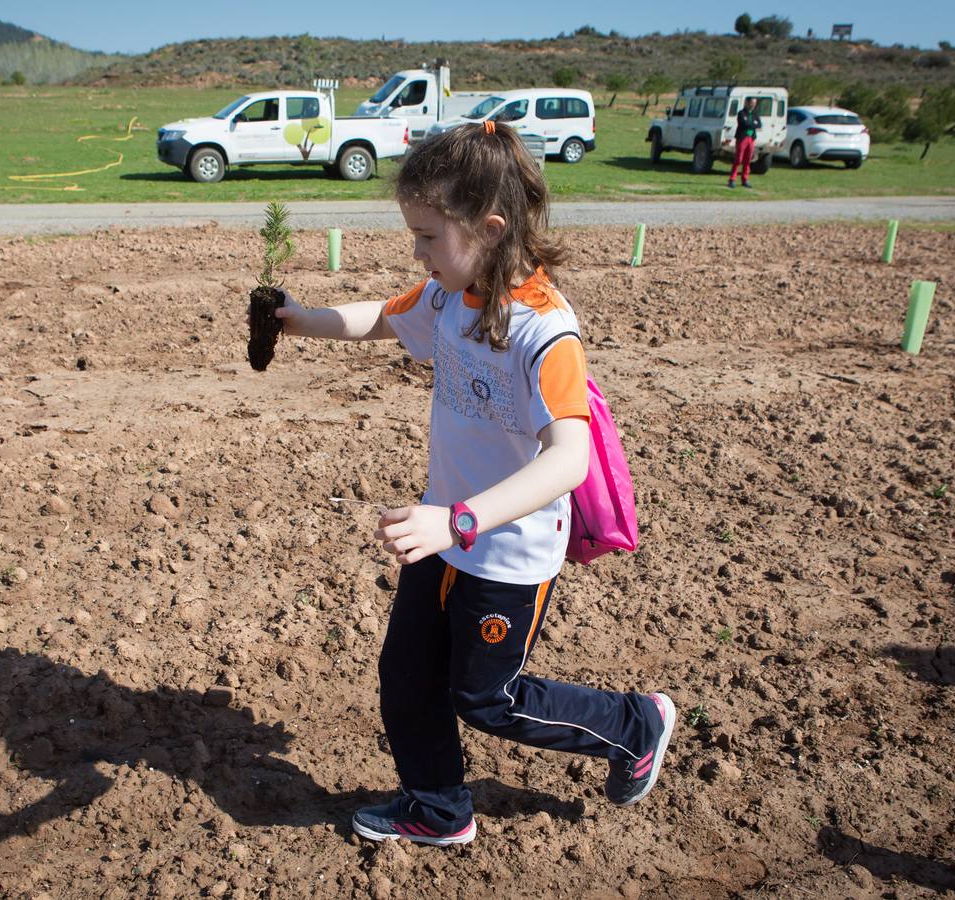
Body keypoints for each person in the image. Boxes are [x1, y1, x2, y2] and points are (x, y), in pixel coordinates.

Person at [265, 120, 675, 846]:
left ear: (487, 229)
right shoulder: (449, 296)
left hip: (504, 554)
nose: (416, 252)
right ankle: (438, 806)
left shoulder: (544, 331)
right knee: (406, 679)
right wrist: (297, 321)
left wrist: (456, 520)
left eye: (426, 236)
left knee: (486, 698)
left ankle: (633, 726)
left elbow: (567, 461)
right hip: (443, 536)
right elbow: (378, 321)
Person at [730, 96, 761, 189]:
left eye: (755, 103)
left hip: (751, 138)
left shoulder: (755, 114)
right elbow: (744, 123)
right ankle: (732, 179)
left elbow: (759, 124)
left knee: (748, 159)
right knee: (738, 159)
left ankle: (745, 179)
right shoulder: (741, 113)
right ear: (747, 103)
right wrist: (753, 124)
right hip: (742, 138)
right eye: (752, 103)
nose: (753, 105)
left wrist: (752, 125)